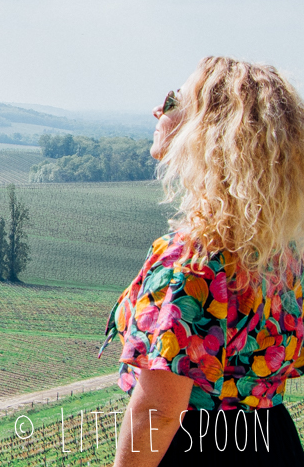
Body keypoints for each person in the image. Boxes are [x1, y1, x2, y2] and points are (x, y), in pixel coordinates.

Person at [100, 56, 304, 466]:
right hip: (273, 442)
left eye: (173, 101)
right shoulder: (282, 253)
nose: (159, 111)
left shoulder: (190, 262)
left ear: (207, 134)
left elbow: (156, 410)